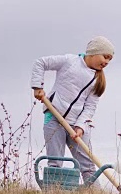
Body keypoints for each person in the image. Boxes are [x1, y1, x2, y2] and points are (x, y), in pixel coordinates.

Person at [30, 36, 114, 182]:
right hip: (54, 117)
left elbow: (90, 106)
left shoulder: (97, 79)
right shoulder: (69, 61)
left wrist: (80, 127)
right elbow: (41, 63)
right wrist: (38, 86)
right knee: (55, 161)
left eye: (109, 59)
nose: (106, 62)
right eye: (105, 57)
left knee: (87, 165)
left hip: (77, 125)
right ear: (93, 52)